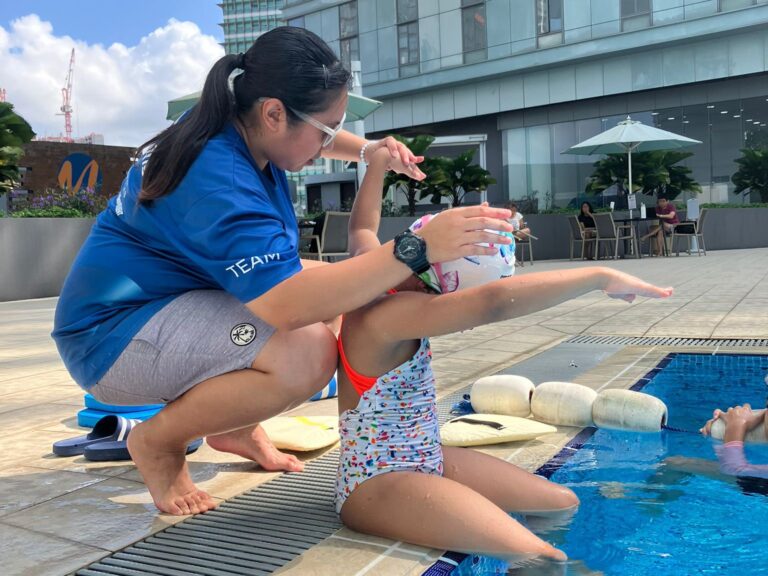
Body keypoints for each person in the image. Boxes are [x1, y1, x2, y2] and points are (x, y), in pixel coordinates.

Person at [51, 27, 516, 516]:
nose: (332, 141)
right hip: (111, 341)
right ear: (273, 113)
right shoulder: (220, 181)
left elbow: (309, 141)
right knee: (307, 353)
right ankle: (159, 441)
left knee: (337, 290)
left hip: (154, 303)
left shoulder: (229, 119)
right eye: (328, 129)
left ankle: (233, 425)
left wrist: (367, 151)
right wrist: (416, 248)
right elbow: (290, 305)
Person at [334, 147, 674, 563]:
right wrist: (598, 276)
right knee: (543, 556)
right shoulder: (387, 314)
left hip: (425, 458)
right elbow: (494, 302)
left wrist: (376, 165)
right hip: (377, 484)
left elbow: (362, 228)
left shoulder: (372, 272)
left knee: (560, 502)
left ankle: (509, 565)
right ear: (441, 289)